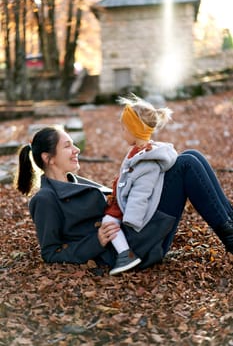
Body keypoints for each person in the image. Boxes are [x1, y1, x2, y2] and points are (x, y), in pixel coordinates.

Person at [15, 104, 233, 273]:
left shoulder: (74, 181)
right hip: (127, 251)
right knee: (187, 165)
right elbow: (50, 253)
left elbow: (119, 198)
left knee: (191, 156)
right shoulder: (45, 199)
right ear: (48, 158)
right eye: (67, 146)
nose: (76, 149)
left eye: (73, 143)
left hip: (137, 232)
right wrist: (97, 241)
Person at [102, 94, 177, 275]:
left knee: (107, 221)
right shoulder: (138, 152)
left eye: (123, 129)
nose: (122, 133)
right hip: (122, 200)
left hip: (126, 209)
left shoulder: (147, 161)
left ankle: (124, 254)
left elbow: (141, 194)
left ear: (133, 130)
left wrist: (131, 221)